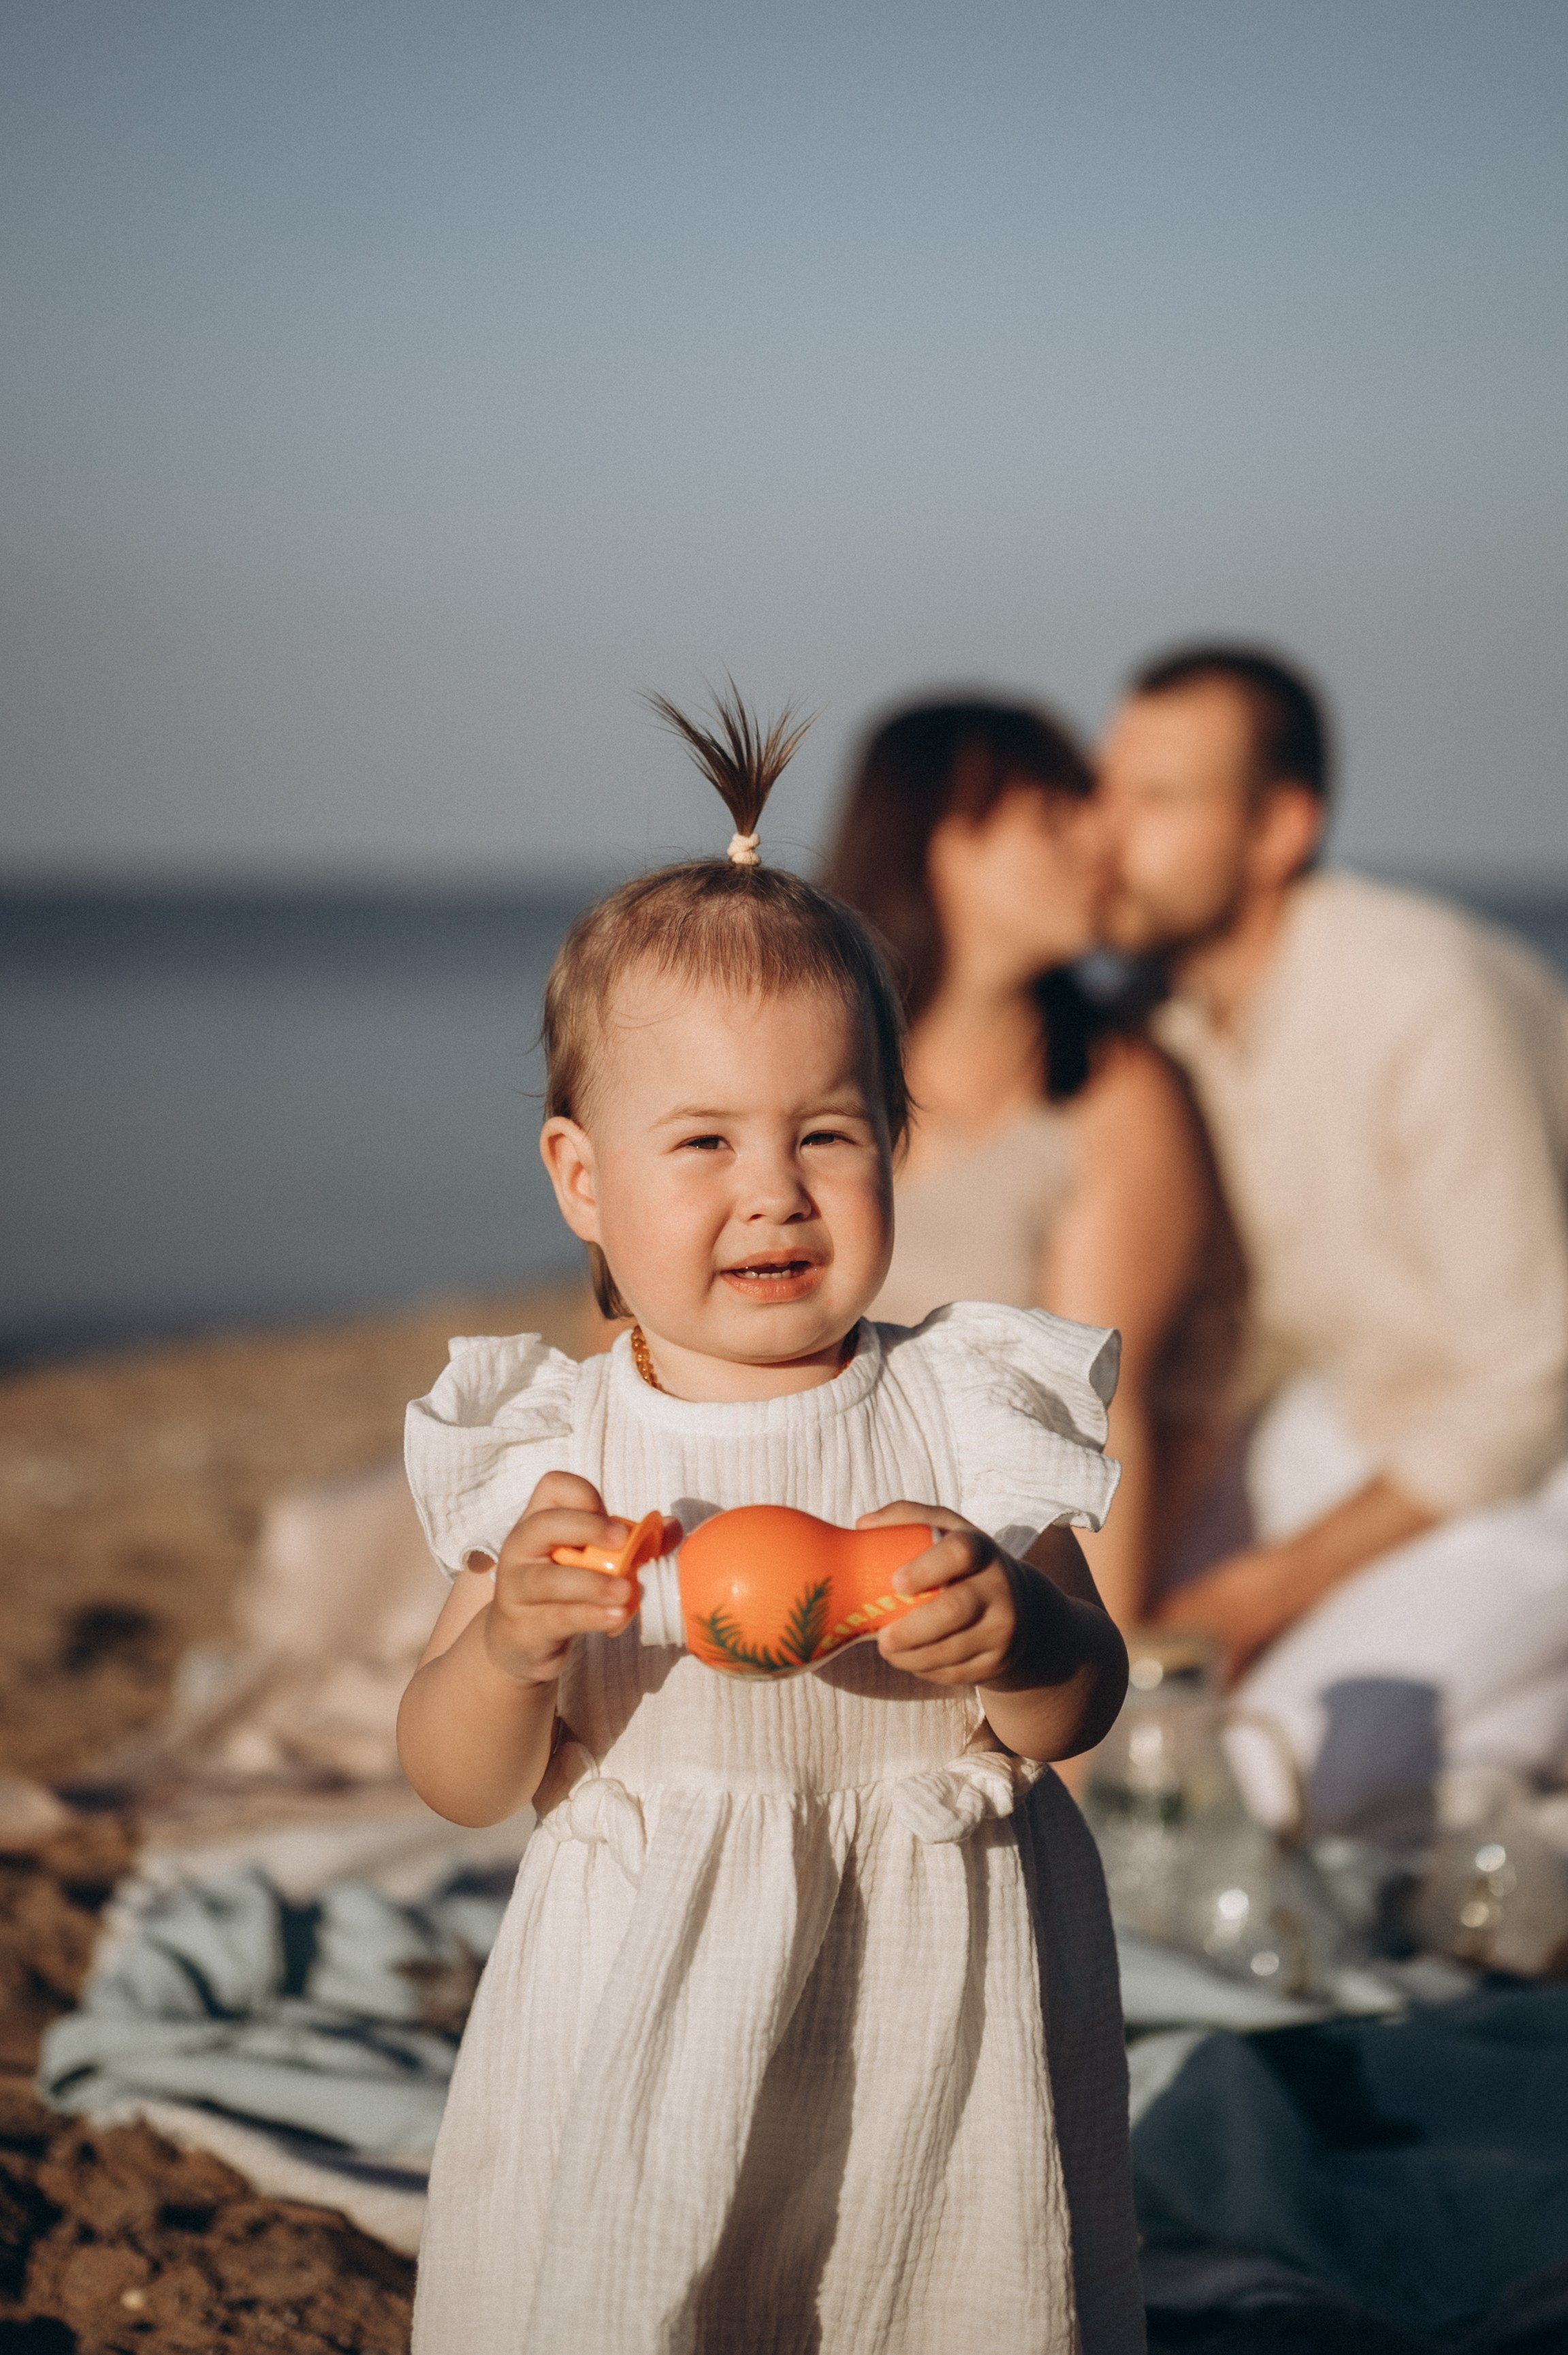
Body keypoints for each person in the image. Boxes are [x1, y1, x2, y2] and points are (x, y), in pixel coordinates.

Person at [396, 692, 1142, 2354]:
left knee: (924, 2287)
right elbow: (453, 1777)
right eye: (705, 1143)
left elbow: (1085, 1698)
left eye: (825, 1133)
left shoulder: (962, 1406)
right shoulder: (562, 1444)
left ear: (894, 1142)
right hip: (643, 2006)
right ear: (581, 1179)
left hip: (927, 2006)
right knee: (639, 2287)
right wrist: (513, 1642)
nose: (774, 1191)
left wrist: (1022, 1638)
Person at [1098, 642, 1568, 1827]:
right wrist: (1145, 1602)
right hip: (1356, 1423)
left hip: (1538, 1463)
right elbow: (1231, 1355)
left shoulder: (1422, 999)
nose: (1108, 831)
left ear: (1279, 827)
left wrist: (1248, 1599)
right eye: (1108, 789)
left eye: (1159, 799)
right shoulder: (1172, 1024)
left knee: (1263, 1776)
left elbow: (1531, 1376)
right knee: (1113, 1719)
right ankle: (1491, 1765)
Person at [824, 697, 1240, 1632]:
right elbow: (630, 1326)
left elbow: (1104, 1420)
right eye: (1055, 815)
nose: (1101, 836)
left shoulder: (1111, 1086)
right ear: (941, 846)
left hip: (980, 1571)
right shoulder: (812, 1050)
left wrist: (1094, 1663)